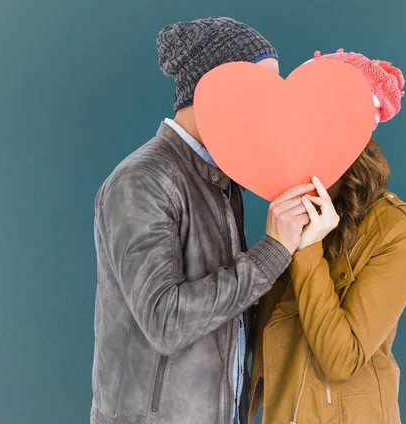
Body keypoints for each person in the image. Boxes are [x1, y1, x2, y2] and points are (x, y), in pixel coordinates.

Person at [90, 17, 313, 424]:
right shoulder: (141, 181)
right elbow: (167, 321)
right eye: (258, 91)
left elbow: (231, 308)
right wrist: (273, 250)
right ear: (212, 89)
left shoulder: (223, 180)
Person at [248, 50, 406, 424]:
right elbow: (260, 335)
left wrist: (309, 248)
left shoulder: (395, 227)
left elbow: (342, 359)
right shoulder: (291, 203)